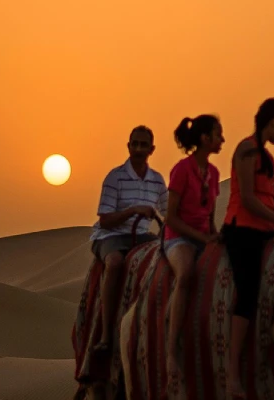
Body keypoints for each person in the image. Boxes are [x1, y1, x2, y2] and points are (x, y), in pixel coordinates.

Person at [221, 98, 274, 399]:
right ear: (272, 123)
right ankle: (232, 373)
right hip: (242, 230)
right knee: (248, 292)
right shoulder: (246, 151)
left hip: (266, 228)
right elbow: (247, 199)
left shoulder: (269, 160)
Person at [89, 126, 166, 361]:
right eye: (135, 144)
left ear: (152, 149)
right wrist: (133, 210)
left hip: (141, 237)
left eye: (144, 145)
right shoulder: (115, 177)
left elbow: (169, 212)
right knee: (114, 263)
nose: (139, 149)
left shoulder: (157, 181)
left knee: (167, 258)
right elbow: (106, 219)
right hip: (110, 236)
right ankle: (105, 334)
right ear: (128, 146)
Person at [164, 114, 225, 378]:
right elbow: (171, 217)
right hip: (178, 238)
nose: (222, 139)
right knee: (187, 274)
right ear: (204, 138)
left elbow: (210, 218)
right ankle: (171, 350)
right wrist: (203, 239)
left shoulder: (213, 173)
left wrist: (216, 237)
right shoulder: (181, 170)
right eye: (218, 134)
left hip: (203, 238)